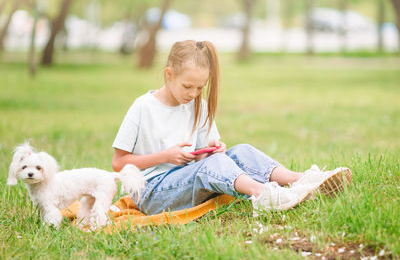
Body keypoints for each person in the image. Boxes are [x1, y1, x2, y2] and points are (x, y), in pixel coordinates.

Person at [111, 40, 351, 215]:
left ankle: (301, 181)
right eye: (187, 86)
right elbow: (119, 163)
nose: (193, 93)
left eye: (199, 87)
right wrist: (166, 156)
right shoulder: (143, 107)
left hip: (185, 183)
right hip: (152, 193)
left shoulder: (199, 106)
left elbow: (206, 163)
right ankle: (263, 195)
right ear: (168, 74)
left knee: (241, 150)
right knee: (216, 163)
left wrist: (212, 150)